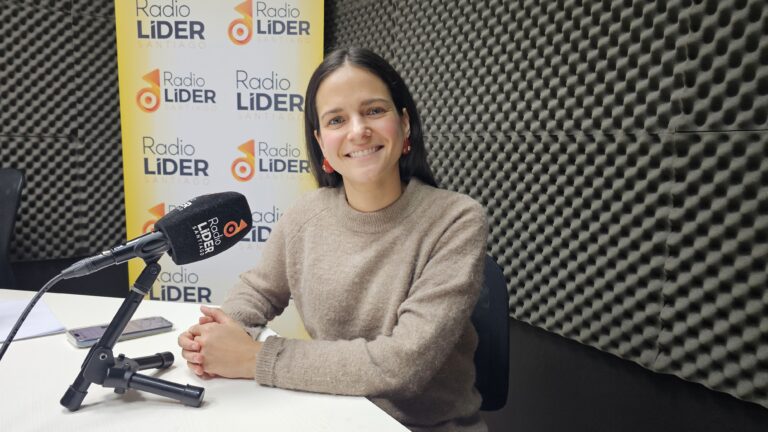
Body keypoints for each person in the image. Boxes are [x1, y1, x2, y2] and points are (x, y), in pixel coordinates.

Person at [178, 47, 489, 432]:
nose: (358, 131)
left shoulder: (456, 220)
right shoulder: (306, 215)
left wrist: (253, 358)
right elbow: (258, 290)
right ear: (321, 141)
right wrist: (222, 335)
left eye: (374, 110)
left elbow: (402, 365)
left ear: (405, 123)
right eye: (337, 119)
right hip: (328, 415)